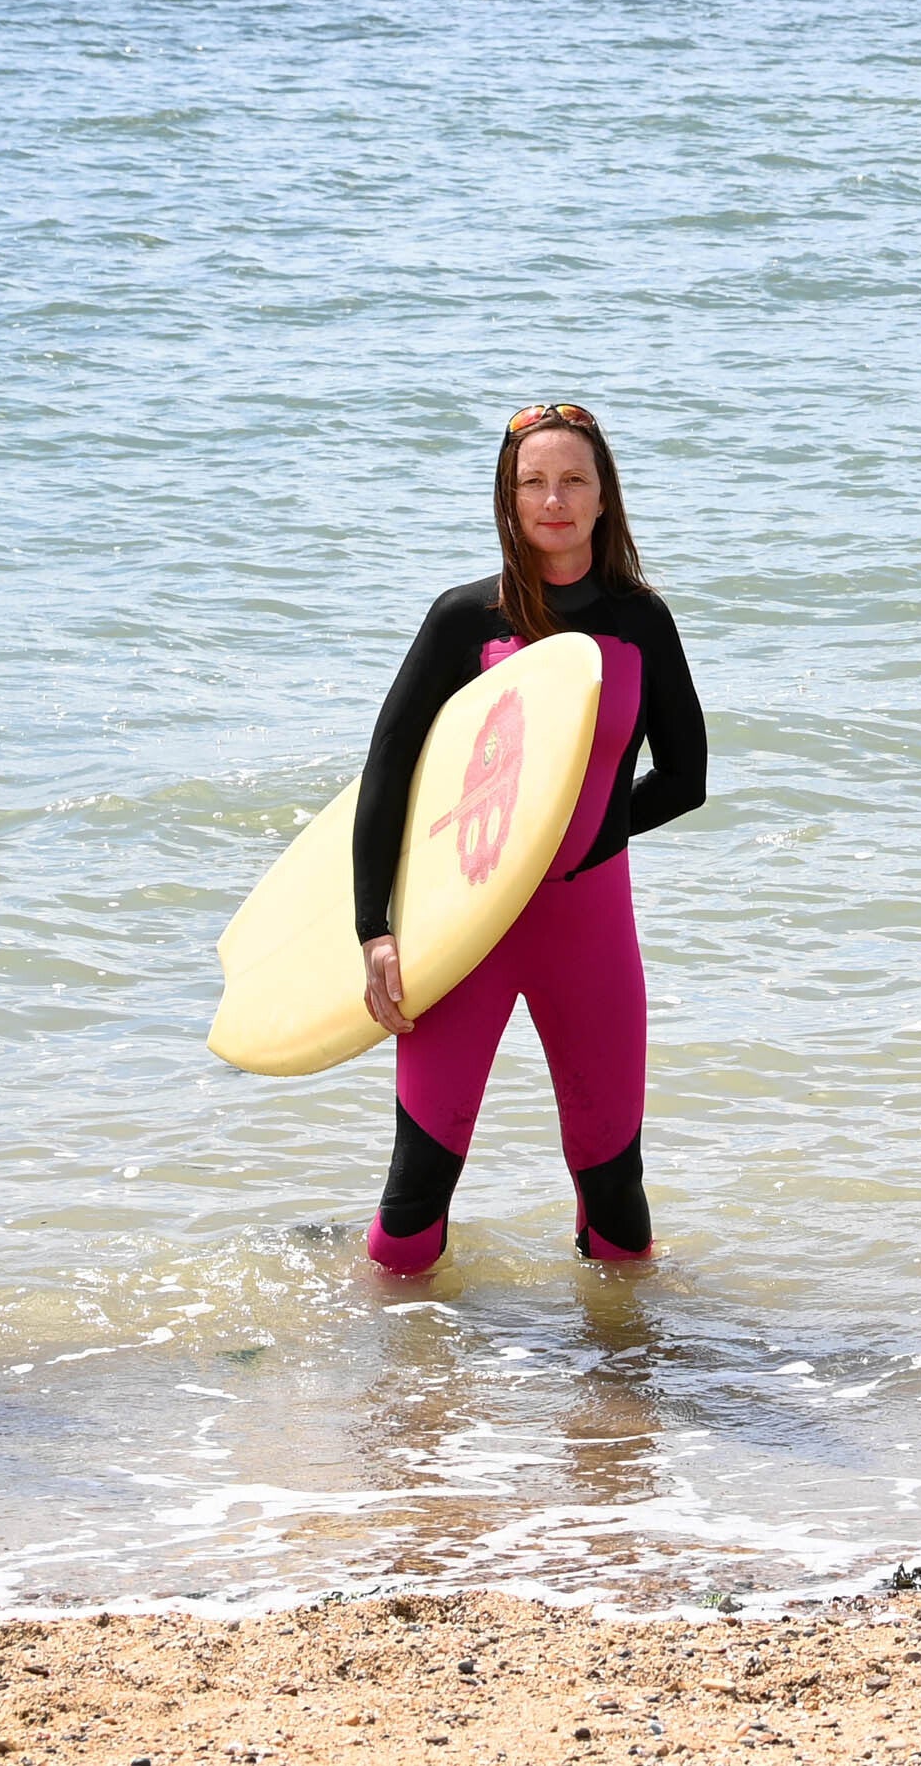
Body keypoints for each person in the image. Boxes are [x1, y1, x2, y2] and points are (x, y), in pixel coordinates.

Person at [352, 402, 708, 1276]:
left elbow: (686, 778)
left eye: (574, 480)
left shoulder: (640, 621)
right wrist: (375, 930)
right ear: (508, 501)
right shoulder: (463, 618)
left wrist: (573, 839)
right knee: (415, 1194)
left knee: (616, 1193)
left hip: (587, 931)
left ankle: (626, 1386)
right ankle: (396, 1389)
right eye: (533, 483)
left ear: (602, 497)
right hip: (462, 932)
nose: (554, 498)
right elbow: (387, 776)